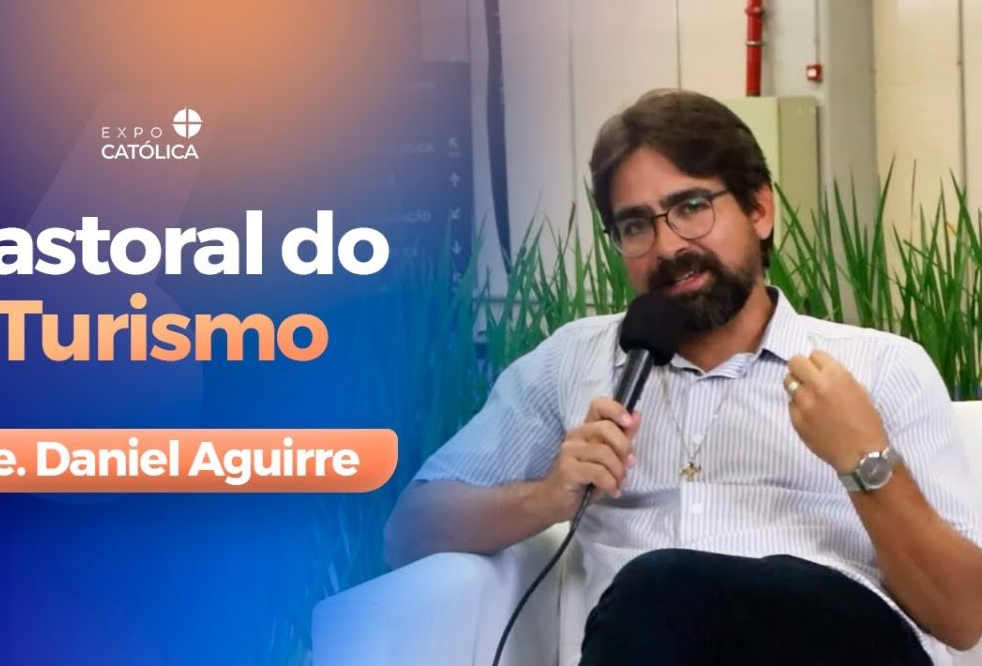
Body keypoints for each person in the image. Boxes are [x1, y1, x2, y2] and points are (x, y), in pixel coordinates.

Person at [383, 89, 982, 665]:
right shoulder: (574, 363)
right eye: (636, 225)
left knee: (661, 583)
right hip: (638, 647)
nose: (667, 246)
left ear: (759, 210)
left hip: (837, 647)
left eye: (692, 207)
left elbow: (963, 617)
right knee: (653, 591)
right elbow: (409, 529)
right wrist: (548, 496)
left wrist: (864, 461)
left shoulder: (880, 367)